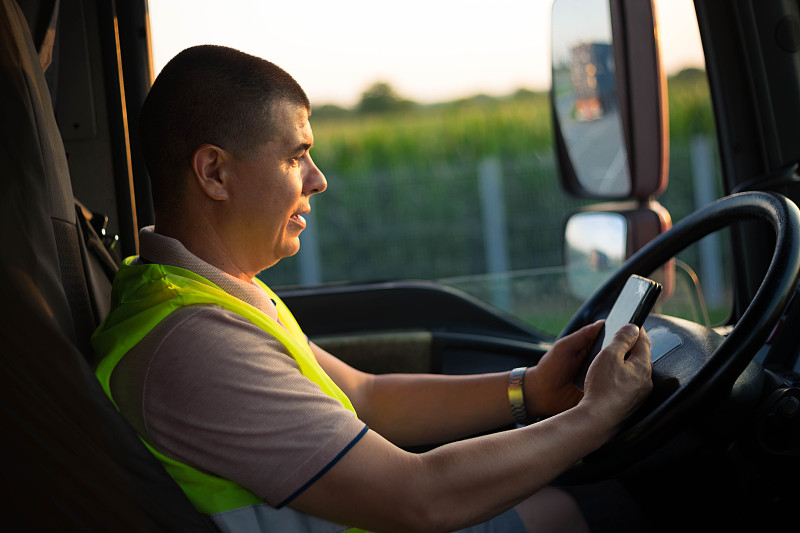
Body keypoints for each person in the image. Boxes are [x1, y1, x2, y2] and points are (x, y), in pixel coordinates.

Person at [92, 45, 653, 533]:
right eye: (295, 155)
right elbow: (419, 498)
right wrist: (594, 417)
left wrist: (529, 389)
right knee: (610, 504)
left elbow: (366, 397)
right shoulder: (193, 340)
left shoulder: (213, 294)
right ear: (214, 173)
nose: (318, 178)